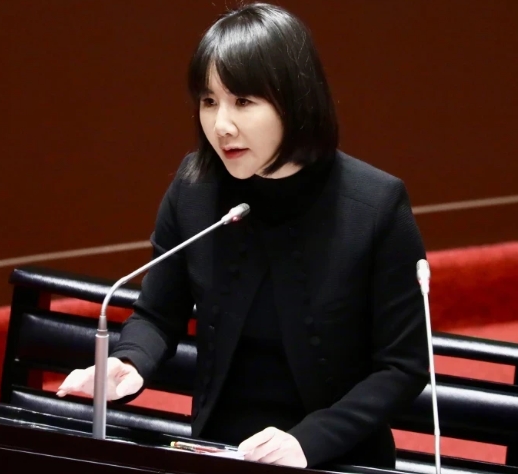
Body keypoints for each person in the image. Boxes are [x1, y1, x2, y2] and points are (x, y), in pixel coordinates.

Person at [57, 2, 429, 469]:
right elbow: (158, 313)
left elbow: (402, 366)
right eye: (209, 101)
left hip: (337, 456)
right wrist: (130, 362)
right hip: (219, 451)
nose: (221, 125)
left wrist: (307, 442)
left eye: (243, 102)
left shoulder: (375, 205)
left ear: (295, 100)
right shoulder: (195, 189)